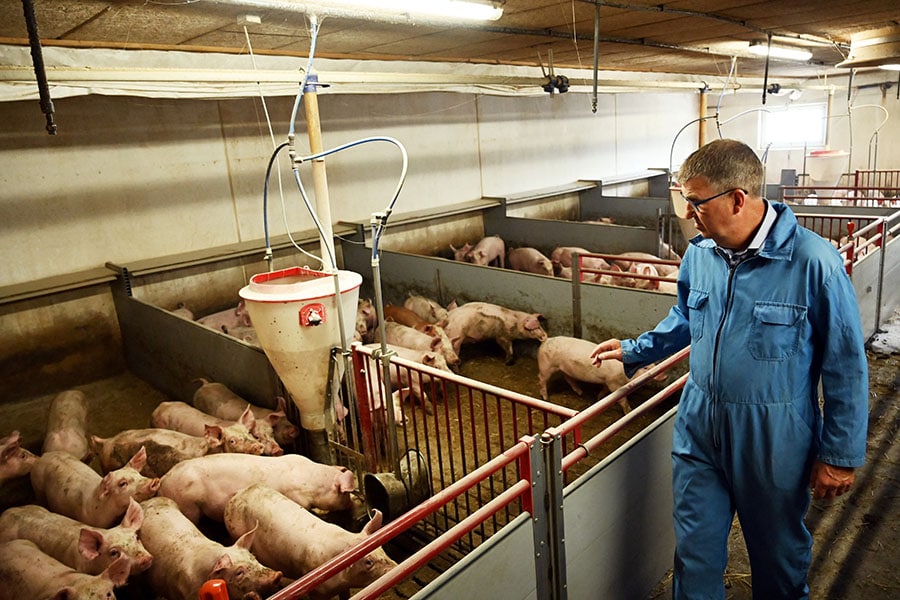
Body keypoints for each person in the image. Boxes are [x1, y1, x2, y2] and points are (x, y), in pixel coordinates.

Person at [590, 139, 869, 600]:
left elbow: (845, 363)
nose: (688, 216)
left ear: (737, 198)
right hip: (699, 427)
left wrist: (840, 453)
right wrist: (634, 349)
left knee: (777, 559)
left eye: (695, 203)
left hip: (775, 436)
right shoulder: (700, 255)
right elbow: (685, 316)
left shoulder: (812, 262)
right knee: (694, 558)